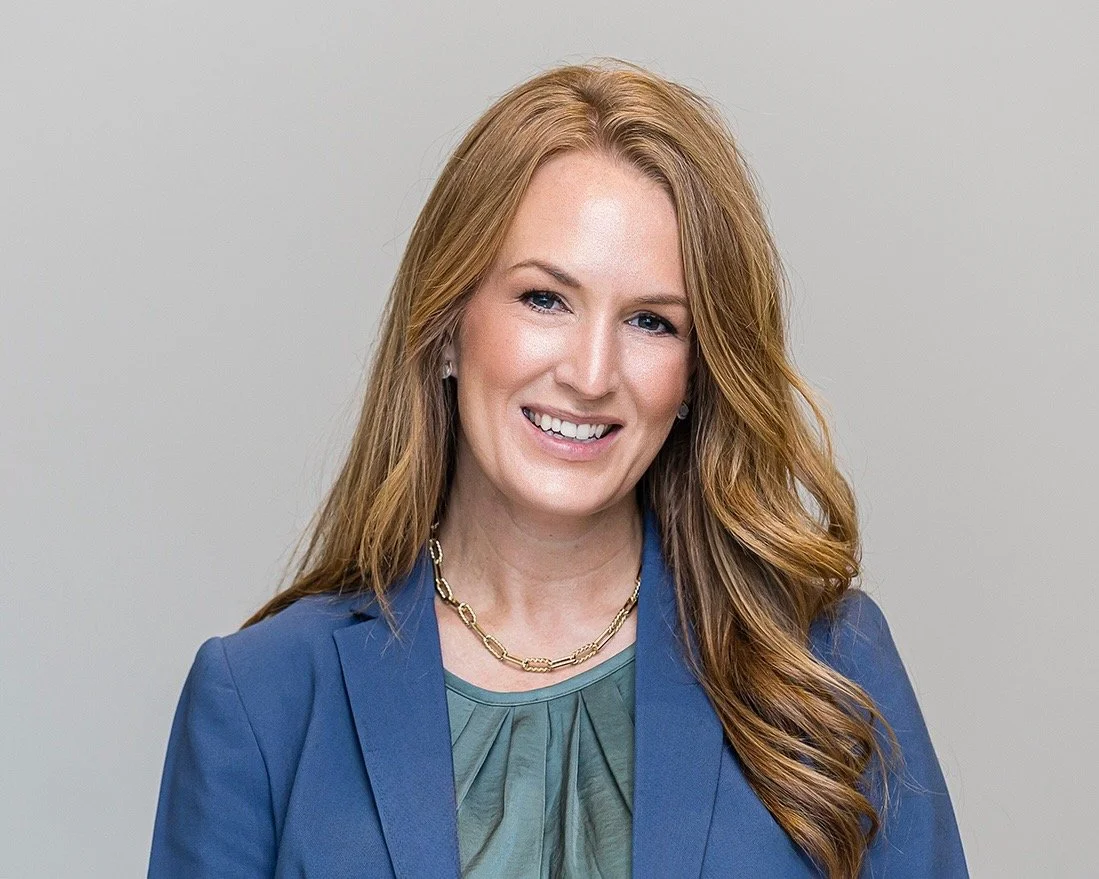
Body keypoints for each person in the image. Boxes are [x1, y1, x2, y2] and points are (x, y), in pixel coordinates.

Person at [148, 59, 969, 878]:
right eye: (544, 298)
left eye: (651, 320)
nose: (589, 371)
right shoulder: (259, 701)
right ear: (444, 325)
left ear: (693, 377)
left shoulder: (827, 665)